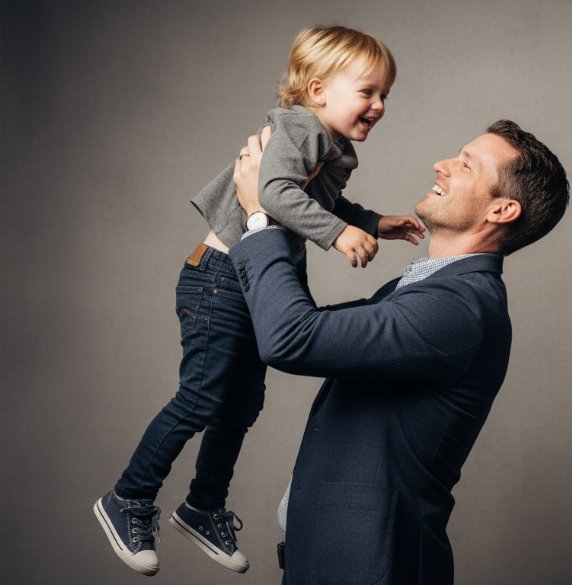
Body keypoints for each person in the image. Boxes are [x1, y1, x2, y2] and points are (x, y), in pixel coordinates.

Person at [93, 25, 423, 576]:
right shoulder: (299, 127)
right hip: (219, 278)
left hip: (246, 283)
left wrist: (371, 222)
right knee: (202, 397)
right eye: (368, 91)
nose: (379, 105)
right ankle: (127, 497)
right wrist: (339, 235)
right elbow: (271, 194)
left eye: (385, 94)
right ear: (318, 91)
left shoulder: (327, 141)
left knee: (242, 404)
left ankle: (203, 504)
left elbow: (317, 197)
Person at [228, 119, 569, 585]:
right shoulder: (420, 289)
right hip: (332, 562)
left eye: (465, 165)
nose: (442, 165)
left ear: (502, 210)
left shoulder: (457, 308)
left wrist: (261, 214)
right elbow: (288, 318)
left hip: (372, 568)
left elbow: (291, 336)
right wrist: (292, 209)